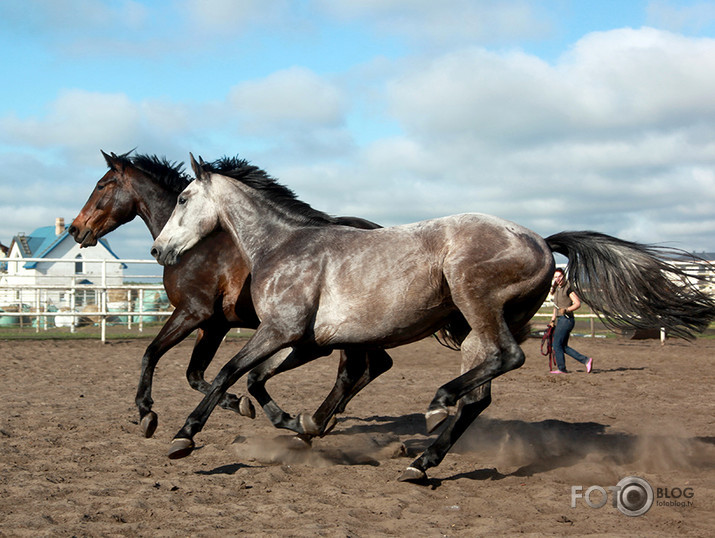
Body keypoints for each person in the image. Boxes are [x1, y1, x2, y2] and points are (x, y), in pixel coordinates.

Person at [548, 268, 594, 374]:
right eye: (555, 277)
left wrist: (567, 309)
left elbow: (577, 303)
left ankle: (561, 368)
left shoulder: (568, 288)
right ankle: (586, 360)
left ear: (564, 276)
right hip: (560, 320)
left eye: (559, 276)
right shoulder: (557, 289)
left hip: (566, 320)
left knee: (556, 344)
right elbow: (556, 307)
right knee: (563, 346)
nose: (558, 279)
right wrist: (552, 320)